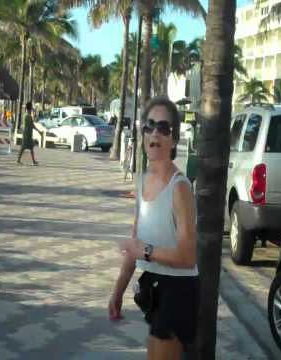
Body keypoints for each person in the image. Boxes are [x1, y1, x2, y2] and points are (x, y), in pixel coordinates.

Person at [109, 96, 198, 360]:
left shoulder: (179, 188)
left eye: (164, 127)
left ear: (174, 139)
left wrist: (145, 250)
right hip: (154, 287)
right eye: (149, 126)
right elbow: (136, 242)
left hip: (178, 291)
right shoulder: (142, 181)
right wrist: (117, 292)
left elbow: (187, 257)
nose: (155, 132)